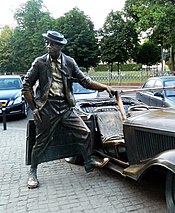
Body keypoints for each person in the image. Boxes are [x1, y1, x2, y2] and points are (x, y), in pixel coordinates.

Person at [22, 30, 116, 189]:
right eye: (47, 43)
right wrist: (35, 109)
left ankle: (88, 161)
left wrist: (105, 87)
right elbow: (26, 86)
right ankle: (33, 171)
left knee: (84, 132)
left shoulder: (69, 62)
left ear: (59, 46)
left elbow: (85, 81)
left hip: (65, 106)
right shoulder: (39, 62)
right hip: (47, 106)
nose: (48, 46)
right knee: (41, 142)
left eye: (51, 43)